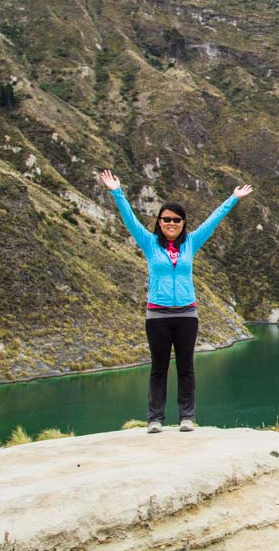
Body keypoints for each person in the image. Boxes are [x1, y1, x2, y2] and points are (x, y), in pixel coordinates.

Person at [99, 169, 253, 433]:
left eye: (177, 220)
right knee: (158, 368)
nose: (171, 223)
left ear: (183, 223)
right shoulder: (149, 243)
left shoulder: (191, 243)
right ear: (159, 222)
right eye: (166, 219)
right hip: (157, 315)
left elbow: (212, 221)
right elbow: (130, 220)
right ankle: (155, 419)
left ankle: (186, 417)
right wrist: (117, 193)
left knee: (186, 367)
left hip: (186, 315)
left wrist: (233, 198)